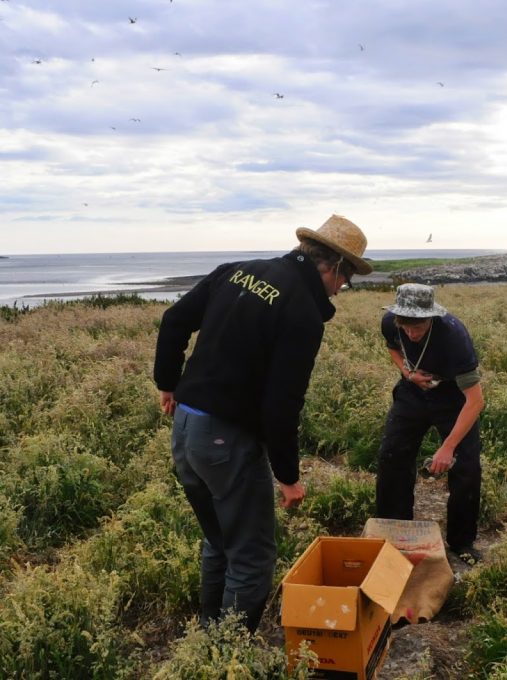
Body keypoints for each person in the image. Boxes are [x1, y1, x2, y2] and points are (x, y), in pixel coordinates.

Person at [153, 214, 372, 632]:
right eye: (347, 279)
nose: (342, 288)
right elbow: (282, 404)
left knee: (220, 540)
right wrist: (288, 477)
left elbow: (174, 319)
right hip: (226, 442)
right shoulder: (303, 311)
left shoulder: (237, 270)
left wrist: (168, 383)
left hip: (185, 429)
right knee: (252, 558)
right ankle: (228, 651)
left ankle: (209, 638)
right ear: (334, 266)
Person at [375, 283, 485, 561]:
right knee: (392, 456)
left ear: (431, 318)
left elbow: (475, 401)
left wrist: (448, 447)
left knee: (466, 467)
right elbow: (393, 348)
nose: (411, 334)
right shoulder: (390, 322)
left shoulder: (454, 336)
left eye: (419, 327)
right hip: (412, 391)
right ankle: (394, 530)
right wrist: (408, 374)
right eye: (406, 327)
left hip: (453, 396)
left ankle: (462, 542)